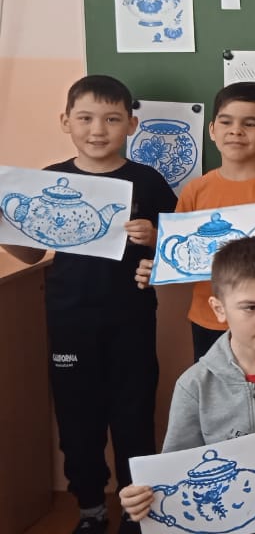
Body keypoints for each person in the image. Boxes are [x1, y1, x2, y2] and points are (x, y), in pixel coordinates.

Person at [0, 75, 176, 534]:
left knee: (134, 415)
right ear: (66, 121)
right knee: (78, 418)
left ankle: (137, 510)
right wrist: (5, 227)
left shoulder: (147, 181)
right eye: (85, 118)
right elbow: (31, 255)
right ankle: (90, 508)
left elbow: (180, 251)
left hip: (132, 319)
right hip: (69, 320)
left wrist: (155, 240)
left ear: (131, 125)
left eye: (112, 119)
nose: (98, 130)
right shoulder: (46, 180)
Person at [119, 237, 255, 527]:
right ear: (219, 309)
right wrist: (142, 498)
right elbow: (175, 468)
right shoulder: (194, 385)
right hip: (223, 521)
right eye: (250, 307)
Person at [135, 81, 255, 359]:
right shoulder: (196, 190)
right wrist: (158, 269)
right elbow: (177, 253)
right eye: (226, 122)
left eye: (250, 124)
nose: (236, 131)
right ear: (212, 130)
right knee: (214, 385)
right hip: (209, 316)